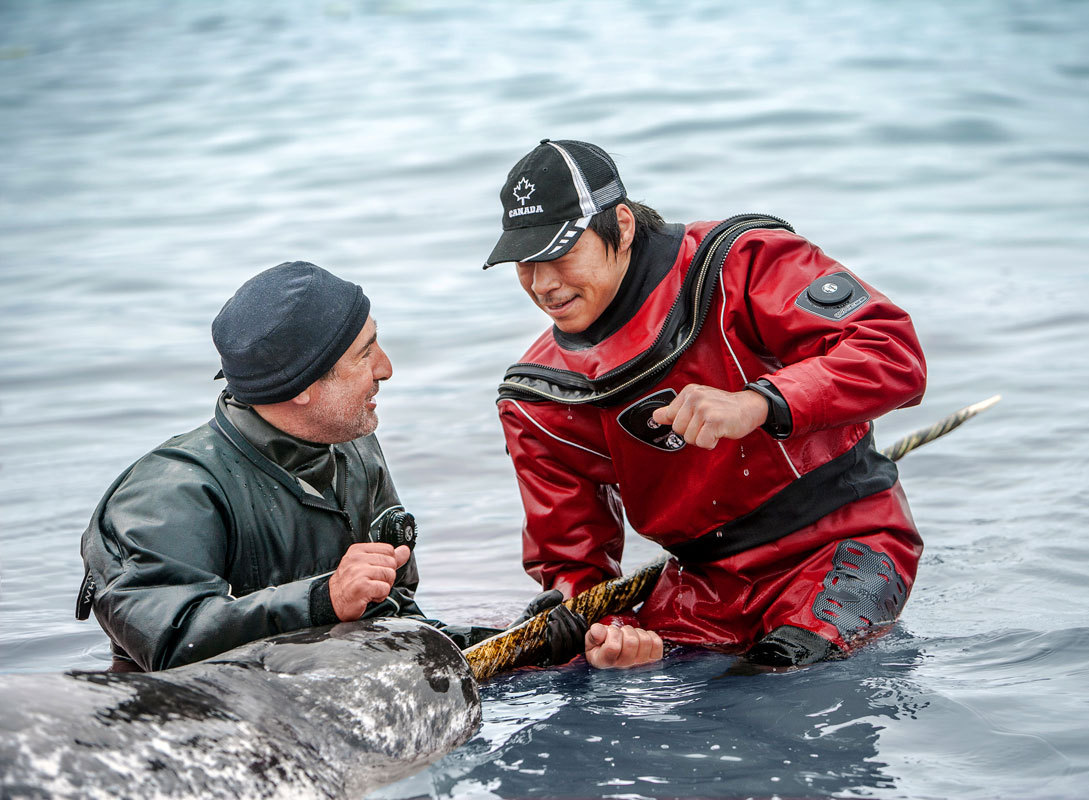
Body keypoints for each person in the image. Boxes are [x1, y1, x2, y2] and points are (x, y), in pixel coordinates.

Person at [482, 139, 927, 668]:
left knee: (778, 681)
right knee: (592, 678)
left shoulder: (741, 262)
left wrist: (759, 403)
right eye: (524, 262)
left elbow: (894, 353)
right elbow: (576, 573)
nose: (543, 283)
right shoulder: (537, 396)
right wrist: (614, 635)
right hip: (703, 586)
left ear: (621, 226)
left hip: (843, 542)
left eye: (560, 252)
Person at [77, 262, 445, 671]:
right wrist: (323, 600)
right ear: (302, 387)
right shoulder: (169, 492)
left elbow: (399, 604)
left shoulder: (354, 445)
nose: (386, 368)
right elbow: (170, 641)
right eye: (365, 354)